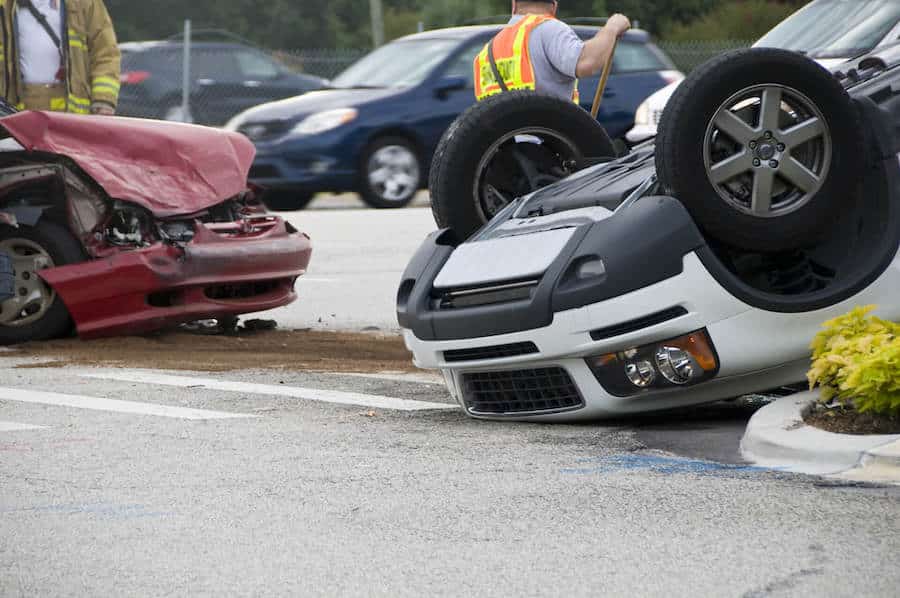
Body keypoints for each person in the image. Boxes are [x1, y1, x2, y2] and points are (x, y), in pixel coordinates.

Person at [474, 0, 631, 103]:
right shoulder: (548, 28)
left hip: (501, 149)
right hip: (547, 145)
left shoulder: (485, 53)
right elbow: (586, 62)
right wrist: (612, 27)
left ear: (514, 4)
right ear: (554, 6)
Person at [1, 0, 121, 115]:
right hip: (15, 114)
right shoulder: (4, 5)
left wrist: (103, 100)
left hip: (73, 116)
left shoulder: (84, 3)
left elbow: (106, 53)